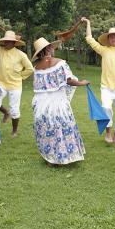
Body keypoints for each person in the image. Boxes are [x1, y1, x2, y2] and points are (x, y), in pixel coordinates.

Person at [31, 37, 89, 166]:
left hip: (41, 103)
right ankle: (63, 156)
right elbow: (69, 80)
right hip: (57, 101)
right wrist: (82, 83)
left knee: (47, 128)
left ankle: (50, 158)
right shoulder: (60, 63)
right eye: (51, 47)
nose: (53, 48)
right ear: (48, 49)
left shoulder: (36, 67)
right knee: (62, 127)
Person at [82, 17, 115, 146]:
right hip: (107, 87)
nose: (113, 38)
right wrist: (88, 23)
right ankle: (108, 134)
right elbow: (89, 39)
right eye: (111, 37)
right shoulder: (104, 50)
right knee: (106, 108)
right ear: (108, 39)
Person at [0, 25, 34, 137]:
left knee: (15, 109)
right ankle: (6, 112)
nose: (7, 43)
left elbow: (30, 68)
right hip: (1, 84)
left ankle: (14, 131)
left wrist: (21, 76)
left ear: (14, 43)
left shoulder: (21, 55)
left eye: (9, 41)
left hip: (15, 85)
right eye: (5, 41)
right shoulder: (0, 50)